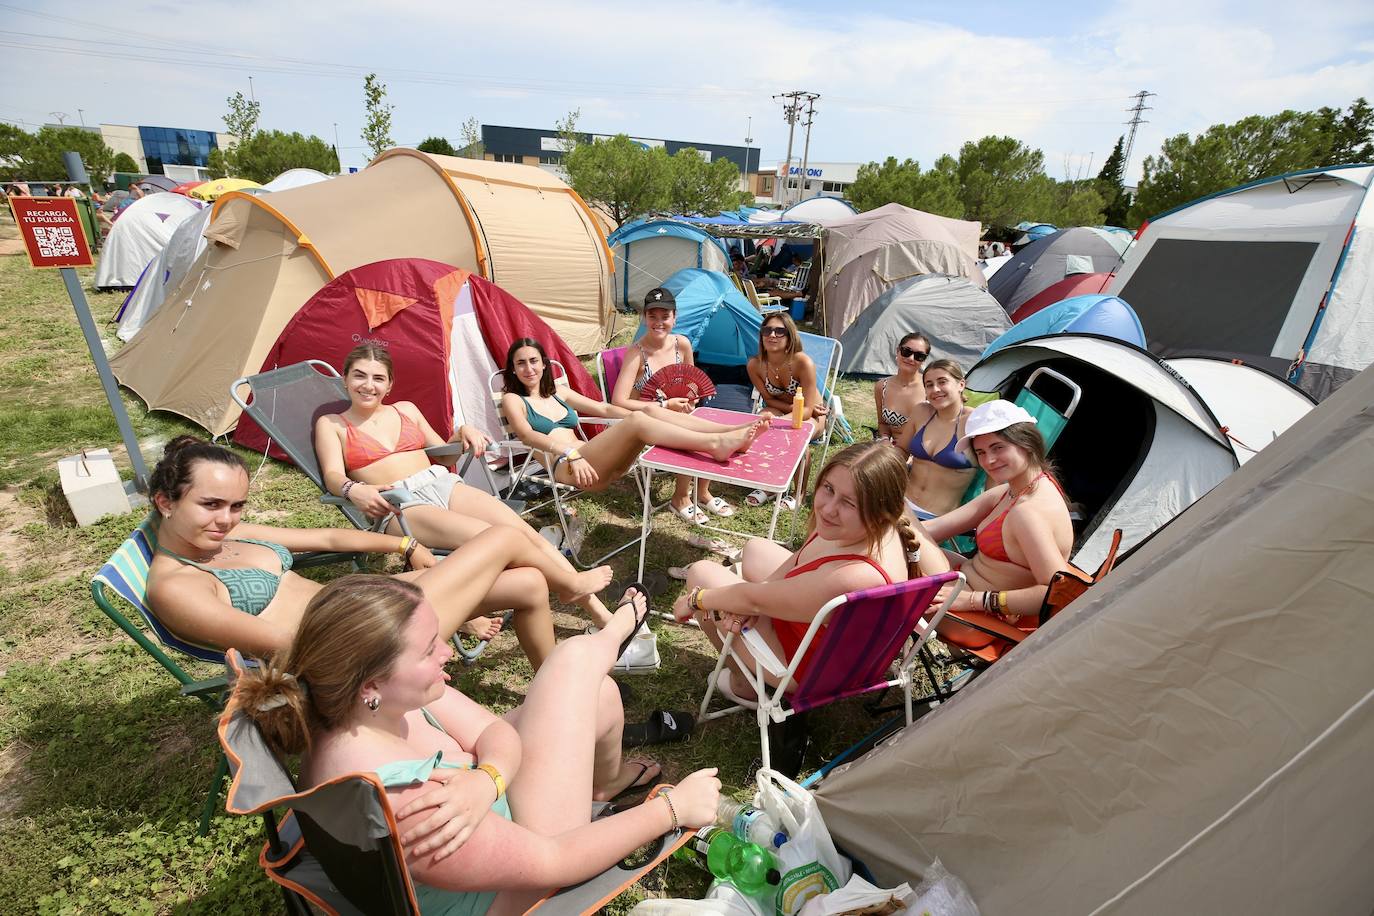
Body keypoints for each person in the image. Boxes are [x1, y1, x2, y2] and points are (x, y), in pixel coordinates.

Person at [235, 576, 723, 915]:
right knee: (577, 666)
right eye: (429, 649)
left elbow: (497, 734)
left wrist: (484, 782)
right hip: (524, 871)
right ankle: (616, 632)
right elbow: (551, 862)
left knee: (600, 694)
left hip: (498, 812)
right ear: (371, 682)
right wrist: (671, 810)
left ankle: (605, 775)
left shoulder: (352, 700)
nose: (448, 651)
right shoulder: (410, 804)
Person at [144, 436, 564, 669]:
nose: (226, 519)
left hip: (359, 603)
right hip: (360, 639)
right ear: (166, 502)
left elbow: (328, 539)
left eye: (236, 506)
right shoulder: (176, 587)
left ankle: (551, 684)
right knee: (502, 539)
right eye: (211, 505)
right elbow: (293, 647)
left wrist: (406, 542)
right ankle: (579, 591)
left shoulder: (223, 536)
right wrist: (406, 650)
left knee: (527, 583)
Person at [315, 344, 623, 639]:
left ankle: (594, 608)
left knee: (520, 529)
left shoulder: (405, 410)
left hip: (439, 482)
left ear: (390, 385)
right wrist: (352, 489)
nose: (368, 385)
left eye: (378, 378)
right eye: (359, 375)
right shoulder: (333, 424)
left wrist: (463, 432)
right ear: (345, 379)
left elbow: (445, 454)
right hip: (398, 505)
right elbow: (332, 474)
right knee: (495, 540)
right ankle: (567, 584)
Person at [672, 442, 948, 704]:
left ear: (881, 509)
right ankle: (743, 623)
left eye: (849, 503)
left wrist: (697, 600)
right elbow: (781, 576)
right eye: (828, 488)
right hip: (835, 639)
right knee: (755, 550)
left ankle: (745, 686)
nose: (828, 508)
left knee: (701, 573)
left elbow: (752, 597)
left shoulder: (857, 575)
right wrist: (746, 604)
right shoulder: (885, 527)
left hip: (809, 669)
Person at [500, 337, 767, 495]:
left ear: (544, 364)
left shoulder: (558, 391)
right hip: (570, 467)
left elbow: (604, 409)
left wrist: (659, 410)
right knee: (638, 420)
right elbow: (527, 435)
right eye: (520, 363)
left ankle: (729, 431)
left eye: (533, 361)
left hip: (596, 460)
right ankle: (715, 445)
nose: (528, 368)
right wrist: (570, 453)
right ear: (512, 370)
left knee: (649, 410)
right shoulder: (514, 400)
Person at [921, 401, 1073, 649]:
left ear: (1027, 443)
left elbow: (1057, 592)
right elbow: (933, 529)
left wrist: (972, 601)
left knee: (900, 555)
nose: (989, 460)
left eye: (998, 447)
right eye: (980, 452)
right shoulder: (1012, 490)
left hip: (977, 619)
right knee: (905, 540)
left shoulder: (1028, 513)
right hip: (965, 586)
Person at [609, 288, 733, 525]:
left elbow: (693, 383)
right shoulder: (637, 354)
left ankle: (703, 491)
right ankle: (681, 498)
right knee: (693, 434)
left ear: (674, 317)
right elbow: (619, 401)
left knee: (708, 425)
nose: (658, 322)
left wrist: (691, 402)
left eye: (664, 316)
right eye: (652, 316)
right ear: (643, 318)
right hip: (646, 419)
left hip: (677, 412)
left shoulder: (682, 344)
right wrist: (664, 404)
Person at [744, 311, 826, 508]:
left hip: (812, 414)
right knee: (761, 421)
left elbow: (806, 408)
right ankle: (769, 484)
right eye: (767, 330)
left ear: (790, 337)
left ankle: (799, 493)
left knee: (798, 435)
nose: (772, 335)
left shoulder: (802, 362)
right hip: (783, 407)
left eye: (779, 331)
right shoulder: (755, 365)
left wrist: (788, 418)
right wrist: (788, 411)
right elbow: (768, 399)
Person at [903, 359, 977, 522]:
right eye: (929, 385)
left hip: (937, 520)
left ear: (961, 385)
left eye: (942, 382)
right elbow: (900, 452)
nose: (935, 389)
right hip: (901, 505)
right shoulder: (921, 412)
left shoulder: (974, 422)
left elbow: (992, 480)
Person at [873, 332, 930, 451]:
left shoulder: (930, 387)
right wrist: (884, 440)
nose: (910, 358)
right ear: (898, 351)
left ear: (924, 360)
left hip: (922, 451)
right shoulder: (882, 387)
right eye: (906, 352)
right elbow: (883, 424)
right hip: (892, 449)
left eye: (919, 356)